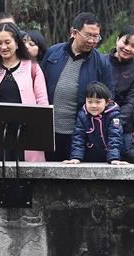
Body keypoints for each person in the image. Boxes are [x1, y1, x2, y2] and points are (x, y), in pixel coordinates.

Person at [41, 12, 115, 160]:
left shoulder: (101, 62)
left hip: (81, 133)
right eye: (88, 35)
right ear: (74, 32)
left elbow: (109, 97)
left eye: (96, 36)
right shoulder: (53, 53)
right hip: (50, 130)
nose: (93, 41)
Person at [0, 22, 48, 162]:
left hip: (26, 136)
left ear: (17, 43)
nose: (3, 47)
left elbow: (42, 101)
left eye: (8, 42)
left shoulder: (33, 68)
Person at [64, 82, 124, 164]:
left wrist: (114, 158)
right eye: (90, 101)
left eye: (98, 102)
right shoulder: (82, 115)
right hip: (88, 158)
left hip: (109, 158)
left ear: (107, 102)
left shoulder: (113, 115)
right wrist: (76, 157)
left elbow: (115, 137)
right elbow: (78, 138)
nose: (93, 105)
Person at [108, 26, 134, 133]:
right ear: (117, 40)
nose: (127, 48)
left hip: (121, 127)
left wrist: (115, 125)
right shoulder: (101, 62)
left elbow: (130, 104)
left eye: (133, 46)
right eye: (125, 42)